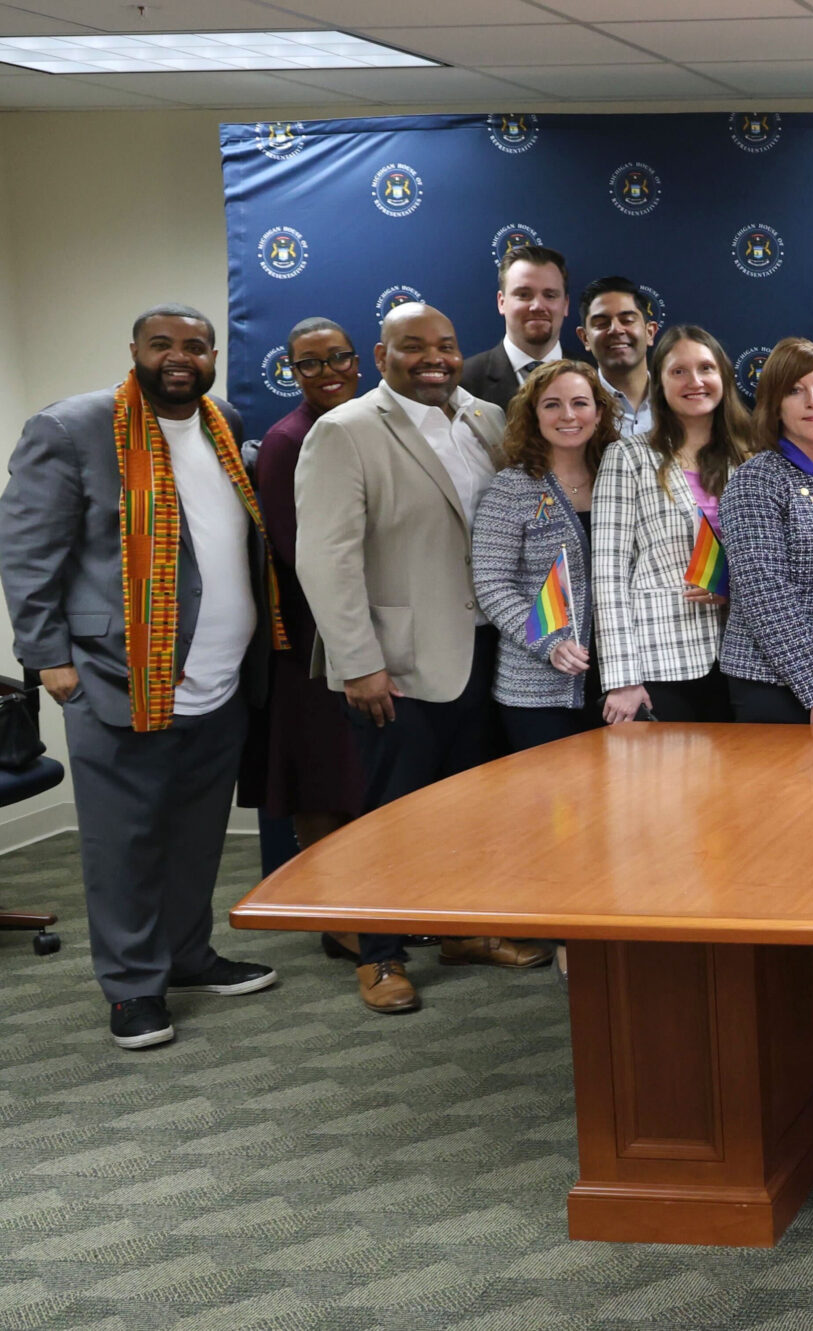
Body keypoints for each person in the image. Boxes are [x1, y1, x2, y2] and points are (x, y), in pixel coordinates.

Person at [0, 304, 283, 1049]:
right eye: (163, 344)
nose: (179, 357)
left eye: (195, 345)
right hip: (114, 677)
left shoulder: (220, 421)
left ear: (215, 356)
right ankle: (131, 987)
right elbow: (29, 555)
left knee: (195, 836)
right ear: (135, 351)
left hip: (219, 682)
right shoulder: (70, 429)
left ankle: (187, 956)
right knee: (123, 844)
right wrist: (49, 658)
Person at [297, 303, 554, 1015]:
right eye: (413, 347)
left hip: (485, 650)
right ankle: (379, 954)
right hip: (397, 663)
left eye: (445, 344)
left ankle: (464, 929)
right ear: (381, 354)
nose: (432, 357)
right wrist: (358, 661)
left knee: (473, 807)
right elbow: (327, 559)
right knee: (389, 816)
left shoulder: (486, 419)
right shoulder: (344, 431)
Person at [254, 318, 367, 885]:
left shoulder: (371, 424)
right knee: (322, 778)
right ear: (292, 371)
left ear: (359, 360)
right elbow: (299, 553)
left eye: (338, 357)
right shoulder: (286, 440)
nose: (328, 372)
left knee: (360, 775)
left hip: (373, 629)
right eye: (310, 363)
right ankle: (336, 916)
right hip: (313, 640)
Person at [594, 327, 751, 726]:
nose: (695, 381)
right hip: (662, 659)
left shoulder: (752, 457)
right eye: (678, 371)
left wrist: (732, 586)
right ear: (658, 383)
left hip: (743, 656)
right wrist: (622, 678)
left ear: (724, 378)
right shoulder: (628, 457)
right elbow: (608, 573)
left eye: (706, 368)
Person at [722, 338, 813, 724]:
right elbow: (764, 593)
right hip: (773, 683)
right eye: (795, 391)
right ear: (774, 405)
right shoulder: (756, 479)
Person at [472, 360, 616, 751]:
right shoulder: (511, 489)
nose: (568, 415)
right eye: (552, 405)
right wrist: (548, 642)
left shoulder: (618, 478)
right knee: (554, 810)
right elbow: (491, 583)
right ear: (533, 416)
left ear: (599, 412)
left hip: (619, 681)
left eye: (580, 403)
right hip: (536, 692)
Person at [459, 244, 577, 405]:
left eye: (550, 295)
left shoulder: (594, 376)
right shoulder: (463, 382)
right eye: (523, 295)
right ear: (502, 302)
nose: (537, 306)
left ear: (565, 305)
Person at [576, 276, 658, 440]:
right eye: (601, 323)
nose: (616, 330)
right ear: (585, 338)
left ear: (650, 332)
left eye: (627, 320)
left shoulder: (678, 400)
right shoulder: (572, 409)